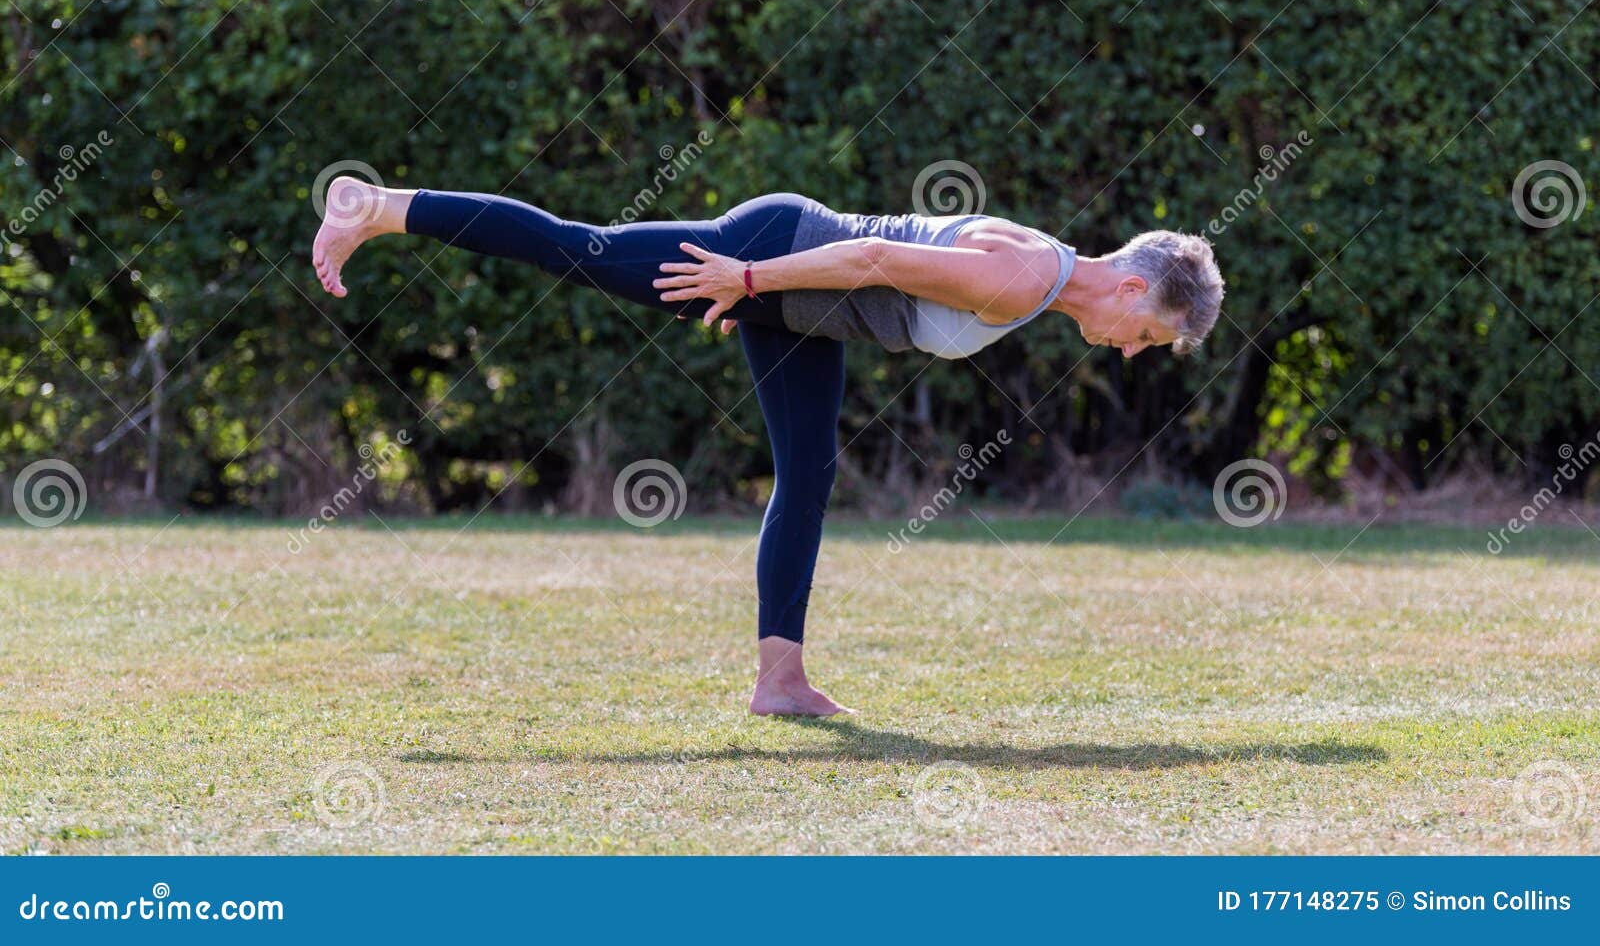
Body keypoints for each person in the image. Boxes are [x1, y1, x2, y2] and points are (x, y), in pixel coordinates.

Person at [311, 178, 1225, 716]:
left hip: (798, 303)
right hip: (778, 255)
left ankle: (779, 678)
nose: (1134, 348)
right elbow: (870, 258)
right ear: (1136, 286)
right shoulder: (1023, 275)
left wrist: (763, 291)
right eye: (1150, 333)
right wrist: (744, 277)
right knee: (581, 250)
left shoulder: (1048, 272)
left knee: (808, 474)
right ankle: (379, 206)